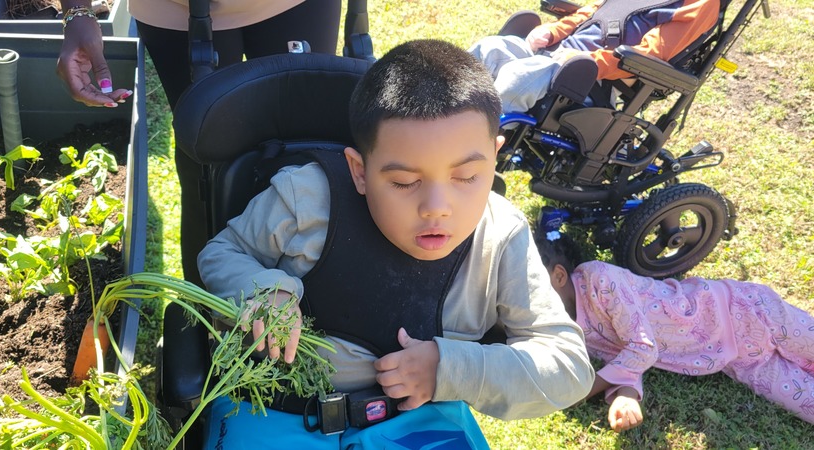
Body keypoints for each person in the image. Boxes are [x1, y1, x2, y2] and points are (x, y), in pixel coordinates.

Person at [196, 39, 595, 449]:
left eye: (467, 177)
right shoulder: (307, 200)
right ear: (360, 171)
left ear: (496, 157)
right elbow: (222, 254)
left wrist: (451, 369)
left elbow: (567, 366)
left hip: (419, 419)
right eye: (405, 182)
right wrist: (264, 290)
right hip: (273, 409)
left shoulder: (500, 234)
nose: (437, 209)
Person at [56, 0, 342, 286]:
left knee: (302, 165)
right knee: (203, 170)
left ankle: (303, 313)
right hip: (177, 11)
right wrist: (77, 12)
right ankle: (205, 316)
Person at [535, 231, 814, 431]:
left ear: (558, 276)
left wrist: (585, 390)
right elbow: (624, 359)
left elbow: (642, 346)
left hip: (749, 311)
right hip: (739, 360)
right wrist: (625, 397)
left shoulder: (598, 278)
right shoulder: (575, 329)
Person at [468, 0, 720, 113]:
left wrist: (587, 61)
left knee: (518, 76)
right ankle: (437, 118)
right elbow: (591, 13)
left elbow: (652, 54)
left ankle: (474, 150)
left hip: (591, 74)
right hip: (557, 52)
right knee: (489, 48)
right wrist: (551, 30)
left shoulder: (698, 4)